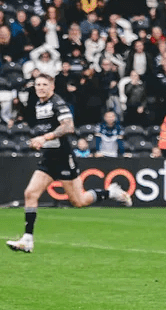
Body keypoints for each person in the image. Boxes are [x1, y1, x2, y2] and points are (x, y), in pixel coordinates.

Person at [7, 73, 132, 252]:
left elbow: (68, 126)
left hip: (63, 158)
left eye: (44, 84)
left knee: (78, 201)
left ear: (52, 87)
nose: (40, 87)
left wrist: (44, 137)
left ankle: (111, 192)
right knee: (30, 193)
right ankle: (27, 239)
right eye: (38, 84)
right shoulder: (38, 104)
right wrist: (38, 141)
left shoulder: (57, 102)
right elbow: (47, 129)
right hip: (48, 157)